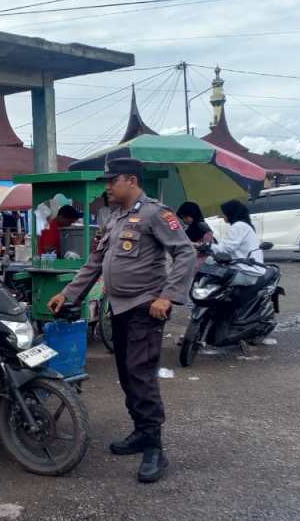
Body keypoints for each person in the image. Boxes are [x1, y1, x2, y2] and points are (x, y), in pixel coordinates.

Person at [48, 158, 196, 483]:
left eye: (112, 181)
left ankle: (155, 447)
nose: (107, 187)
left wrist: (167, 296)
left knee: (140, 376)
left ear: (130, 180)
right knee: (128, 375)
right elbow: (94, 262)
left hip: (146, 307)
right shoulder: (113, 218)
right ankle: (142, 432)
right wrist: (69, 294)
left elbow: (185, 253)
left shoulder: (156, 213)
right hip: (120, 308)